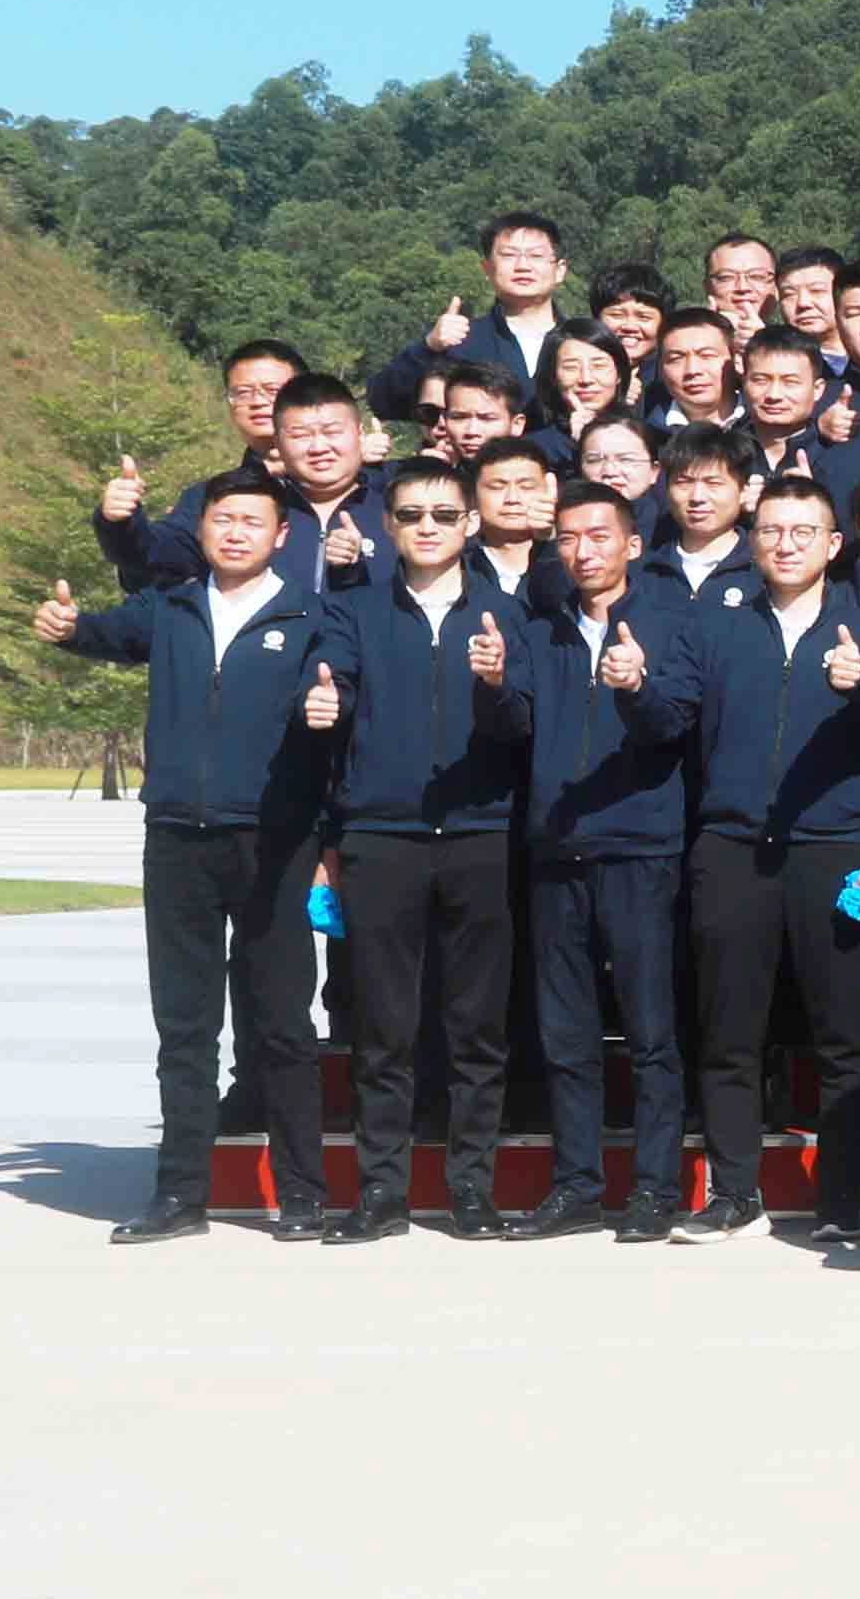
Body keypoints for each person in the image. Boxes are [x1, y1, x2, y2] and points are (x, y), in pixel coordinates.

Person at [26, 474, 360, 1244]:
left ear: (282, 535)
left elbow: (342, 691)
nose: (236, 532)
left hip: (275, 840)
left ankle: (302, 1193)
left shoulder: (314, 615)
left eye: (253, 521)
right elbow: (105, 633)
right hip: (177, 837)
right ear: (203, 530)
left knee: (281, 1024)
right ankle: (179, 1194)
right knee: (185, 1028)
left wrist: (330, 706)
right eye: (223, 519)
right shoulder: (171, 607)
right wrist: (67, 626)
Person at [674, 477, 860, 1245]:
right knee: (728, 1031)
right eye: (772, 529)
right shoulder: (714, 623)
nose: (786, 544)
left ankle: (839, 1202)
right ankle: (734, 1194)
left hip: (836, 849)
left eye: (804, 531)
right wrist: (636, 685)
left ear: (835, 544)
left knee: (844, 1038)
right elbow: (669, 720)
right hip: (732, 848)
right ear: (752, 539)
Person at [320, 458, 528, 1239]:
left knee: (476, 1027)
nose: (428, 527)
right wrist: (325, 700)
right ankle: (381, 1190)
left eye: (444, 513)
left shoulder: (508, 612)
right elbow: (335, 692)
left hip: (481, 834)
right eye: (411, 514)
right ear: (390, 524)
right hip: (382, 836)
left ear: (471, 523)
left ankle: (471, 1188)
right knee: (384, 1025)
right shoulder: (353, 610)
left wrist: (499, 685)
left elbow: (526, 725)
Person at [505, 487, 700, 1239]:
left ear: (631, 544)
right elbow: (513, 726)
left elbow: (673, 724)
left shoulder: (672, 622)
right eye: (568, 538)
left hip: (640, 849)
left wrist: (637, 686)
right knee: (566, 1034)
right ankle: (577, 1184)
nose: (583, 551)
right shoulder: (539, 630)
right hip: (556, 848)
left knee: (651, 1033)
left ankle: (654, 1188)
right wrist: (492, 684)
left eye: (598, 535)